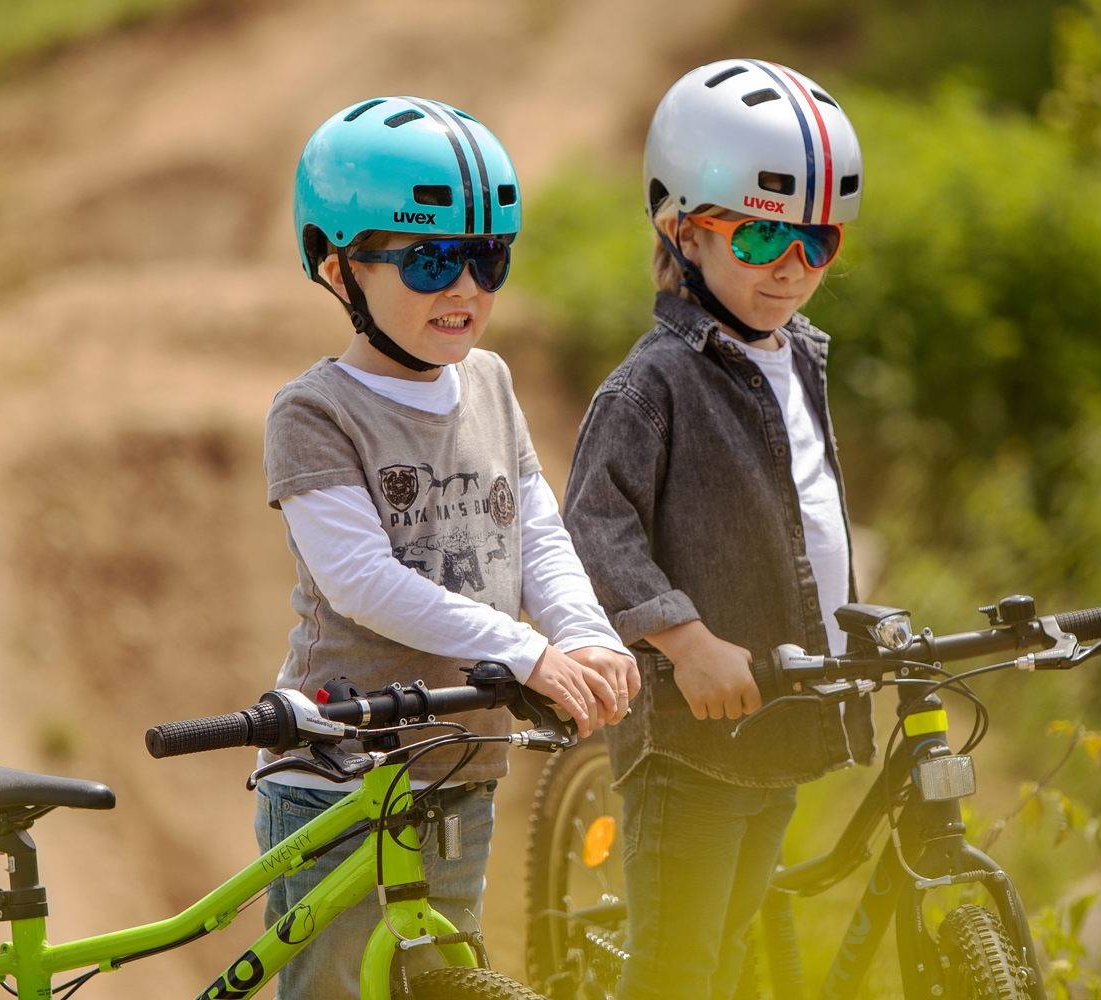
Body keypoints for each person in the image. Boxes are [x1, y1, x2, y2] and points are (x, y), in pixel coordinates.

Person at [257, 95, 639, 999]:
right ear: (337, 266)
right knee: (340, 988)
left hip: (462, 761)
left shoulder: (491, 382)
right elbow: (359, 580)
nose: (464, 289)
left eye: (487, 258)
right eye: (430, 260)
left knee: (439, 975)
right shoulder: (315, 412)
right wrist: (523, 650)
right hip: (340, 775)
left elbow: (535, 529)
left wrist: (584, 632)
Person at [562, 61, 874, 999]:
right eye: (763, 233)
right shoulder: (653, 384)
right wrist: (687, 643)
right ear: (684, 229)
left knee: (727, 959)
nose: (791, 267)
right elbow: (594, 525)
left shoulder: (798, 358)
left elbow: (802, 509)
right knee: (677, 971)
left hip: (781, 720)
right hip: (690, 741)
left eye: (817, 241)